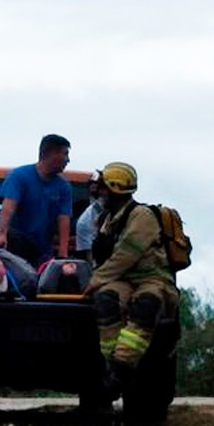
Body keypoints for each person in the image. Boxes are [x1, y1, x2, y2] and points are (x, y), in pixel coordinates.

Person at [83, 162, 179, 399]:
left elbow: (126, 255)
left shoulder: (141, 217)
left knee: (146, 305)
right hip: (123, 280)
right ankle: (112, 365)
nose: (99, 192)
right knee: (106, 302)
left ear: (114, 189)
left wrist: (95, 280)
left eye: (103, 187)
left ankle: (121, 371)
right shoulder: (108, 219)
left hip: (152, 279)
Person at [0, 134, 72, 267]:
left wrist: (63, 253)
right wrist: (2, 234)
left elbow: (64, 218)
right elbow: (9, 205)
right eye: (65, 154)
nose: (67, 160)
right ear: (50, 153)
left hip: (43, 250)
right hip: (17, 246)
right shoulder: (19, 176)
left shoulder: (63, 186)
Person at [75, 170, 103, 263]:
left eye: (96, 183)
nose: (93, 186)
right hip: (84, 243)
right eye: (91, 183)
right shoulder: (81, 205)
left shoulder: (106, 204)